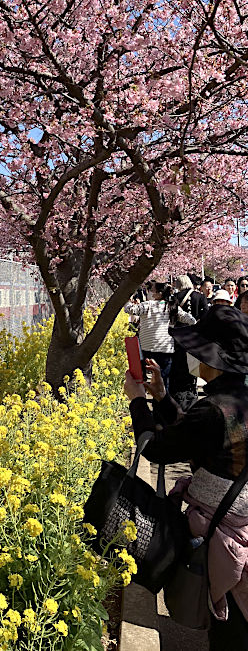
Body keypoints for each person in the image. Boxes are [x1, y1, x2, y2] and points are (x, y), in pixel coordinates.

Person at [124, 305, 248, 650]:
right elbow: (192, 434)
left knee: (232, 629)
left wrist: (138, 402)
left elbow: (158, 449)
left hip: (228, 539)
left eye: (198, 351)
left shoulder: (214, 409)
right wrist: (161, 398)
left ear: (212, 358)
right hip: (242, 525)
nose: (192, 357)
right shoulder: (234, 402)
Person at [124, 281, 196, 392]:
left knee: (149, 378)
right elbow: (190, 320)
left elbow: (129, 309)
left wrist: (127, 300)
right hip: (166, 348)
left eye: (151, 291)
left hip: (148, 347)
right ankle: (163, 403)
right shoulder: (172, 306)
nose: (149, 293)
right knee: (163, 380)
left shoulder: (147, 305)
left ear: (158, 293)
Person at [170, 274, 208, 409]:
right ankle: (192, 391)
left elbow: (172, 317)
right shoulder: (200, 296)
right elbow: (205, 316)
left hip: (178, 336)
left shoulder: (175, 298)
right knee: (192, 364)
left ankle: (179, 394)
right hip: (194, 336)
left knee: (179, 364)